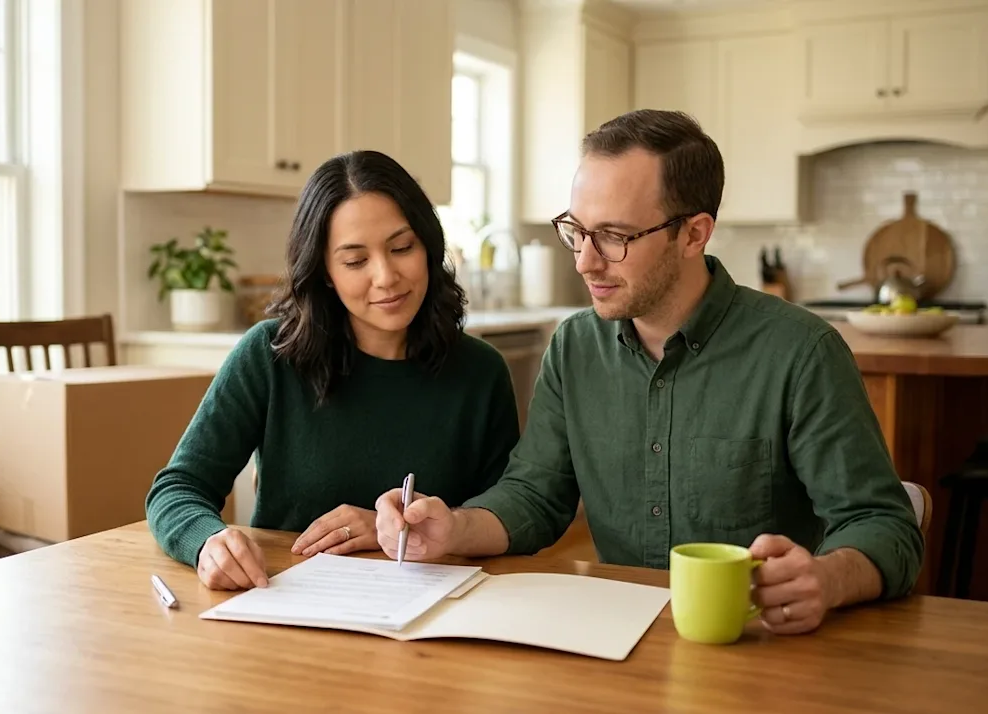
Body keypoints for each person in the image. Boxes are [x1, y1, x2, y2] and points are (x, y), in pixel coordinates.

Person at [374, 109, 924, 635]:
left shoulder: (801, 352)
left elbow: (885, 525)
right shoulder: (574, 347)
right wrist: (453, 527)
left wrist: (825, 579)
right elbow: (536, 496)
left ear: (693, 234)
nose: (585, 261)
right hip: (619, 636)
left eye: (614, 237)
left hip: (761, 643)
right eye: (576, 231)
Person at [146, 149, 520, 591]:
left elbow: (507, 515)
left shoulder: (481, 372)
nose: (386, 276)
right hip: (288, 603)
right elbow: (177, 488)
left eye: (402, 248)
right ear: (325, 272)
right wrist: (207, 540)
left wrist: (409, 531)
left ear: (428, 245)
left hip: (434, 615)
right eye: (355, 261)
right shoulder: (269, 355)